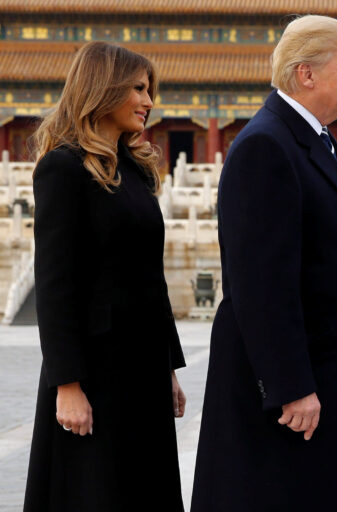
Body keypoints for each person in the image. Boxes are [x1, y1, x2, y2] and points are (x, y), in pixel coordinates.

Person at [191, 15, 337, 512]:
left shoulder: (317, 140)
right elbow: (260, 284)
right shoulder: (266, 146)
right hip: (286, 395)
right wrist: (291, 386)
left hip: (324, 377)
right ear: (306, 74)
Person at [24, 41, 186, 512]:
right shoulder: (63, 168)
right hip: (94, 370)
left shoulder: (133, 169)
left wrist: (169, 367)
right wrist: (67, 385)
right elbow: (54, 285)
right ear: (103, 89)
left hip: (143, 366)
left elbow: (150, 278)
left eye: (150, 89)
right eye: (138, 88)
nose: (149, 101)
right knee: (94, 492)